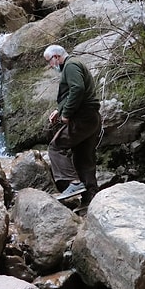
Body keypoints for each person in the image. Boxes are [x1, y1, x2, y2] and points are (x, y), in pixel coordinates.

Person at [44, 44, 101, 207]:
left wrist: (66, 113)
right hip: (92, 117)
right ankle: (91, 198)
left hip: (82, 117)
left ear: (56, 57)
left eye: (49, 61)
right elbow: (73, 92)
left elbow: (77, 88)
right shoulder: (75, 64)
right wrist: (59, 109)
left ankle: (73, 183)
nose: (50, 65)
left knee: (56, 147)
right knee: (84, 158)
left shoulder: (70, 65)